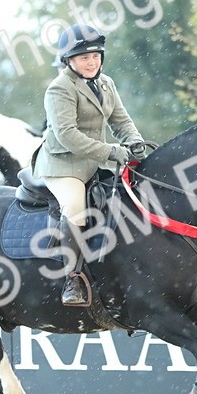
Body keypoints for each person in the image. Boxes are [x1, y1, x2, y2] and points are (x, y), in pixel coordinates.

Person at [35, 23, 146, 306]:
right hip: (63, 164)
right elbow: (68, 136)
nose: (91, 62)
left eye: (95, 56)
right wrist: (112, 152)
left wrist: (135, 142)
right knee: (75, 207)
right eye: (84, 57)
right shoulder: (59, 89)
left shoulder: (106, 83)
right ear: (69, 61)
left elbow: (120, 121)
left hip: (95, 161)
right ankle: (72, 280)